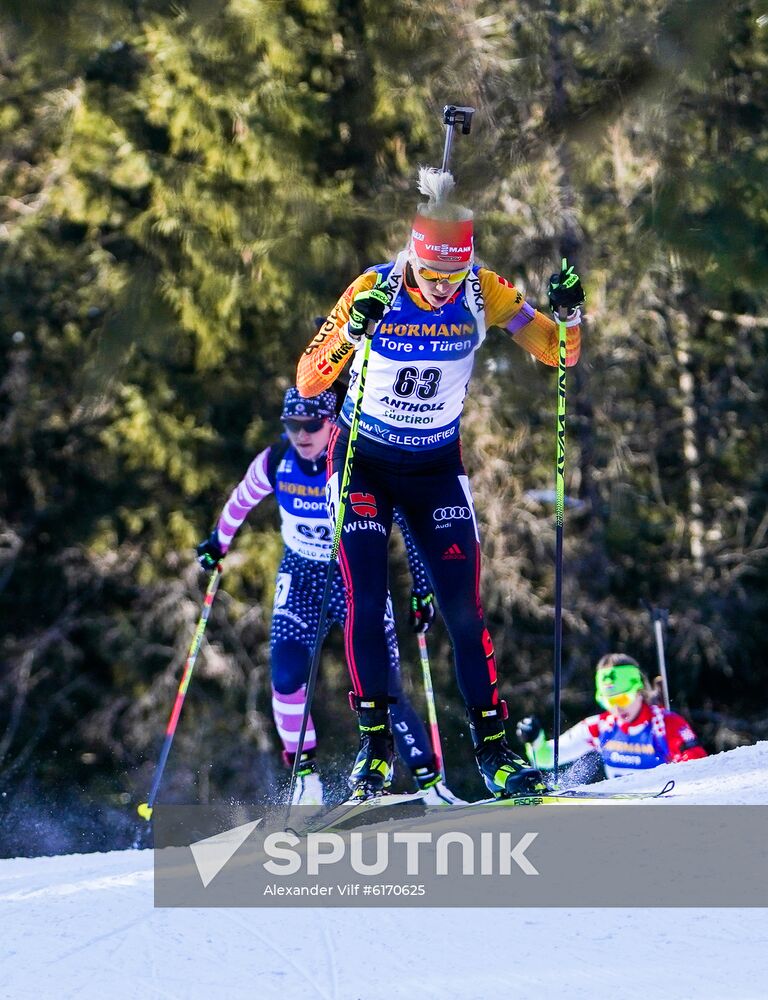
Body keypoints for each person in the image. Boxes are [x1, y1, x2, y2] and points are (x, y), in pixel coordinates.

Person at [296, 166, 585, 800]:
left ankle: (495, 753)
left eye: (452, 278)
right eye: (431, 277)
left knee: (463, 607)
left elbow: (559, 353)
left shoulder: (484, 292)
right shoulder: (374, 287)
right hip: (364, 462)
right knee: (368, 603)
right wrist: (350, 334)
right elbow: (310, 381)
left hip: (433, 469)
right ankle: (374, 752)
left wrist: (570, 316)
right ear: (412, 260)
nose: (441, 289)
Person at [196, 386, 462, 805]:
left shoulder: (357, 460)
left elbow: (409, 524)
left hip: (355, 572)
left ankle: (430, 785)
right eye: (292, 424)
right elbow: (240, 501)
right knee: (285, 678)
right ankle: (306, 779)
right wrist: (217, 542)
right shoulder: (275, 461)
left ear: (331, 422)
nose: (301, 434)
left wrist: (422, 589)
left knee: (386, 686)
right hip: (301, 574)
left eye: (311, 425)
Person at [516, 653, 708, 779]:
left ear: (639, 691)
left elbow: (698, 766)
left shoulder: (666, 724)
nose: (616, 708)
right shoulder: (599, 727)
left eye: (623, 699)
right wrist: (534, 739)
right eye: (608, 701)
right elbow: (547, 758)